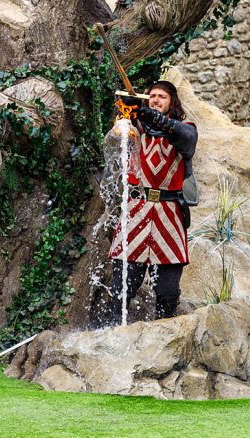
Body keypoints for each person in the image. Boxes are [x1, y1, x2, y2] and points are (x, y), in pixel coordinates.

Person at [92, 80, 198, 328]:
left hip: (169, 216)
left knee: (168, 293)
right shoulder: (134, 128)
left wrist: (147, 113)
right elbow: (115, 139)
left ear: (172, 102)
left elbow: (184, 137)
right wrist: (130, 113)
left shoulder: (185, 129)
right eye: (151, 96)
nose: (156, 100)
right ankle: (113, 336)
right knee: (121, 289)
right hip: (136, 214)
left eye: (162, 97)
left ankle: (166, 343)